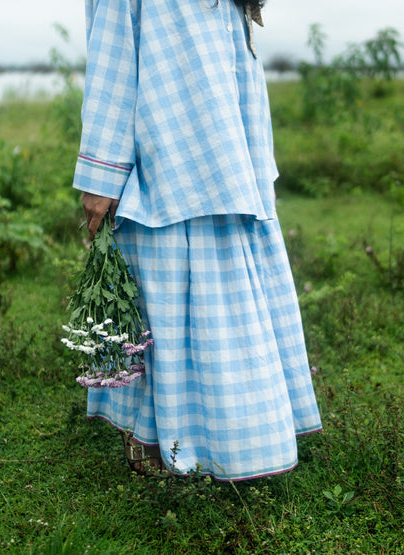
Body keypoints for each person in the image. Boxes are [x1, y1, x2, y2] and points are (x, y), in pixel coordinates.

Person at [75, 0, 322, 480]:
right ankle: (227, 446)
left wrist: (100, 177)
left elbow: (114, 61)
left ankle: (165, 450)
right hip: (222, 159)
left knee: (164, 310)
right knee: (211, 311)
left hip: (169, 163)